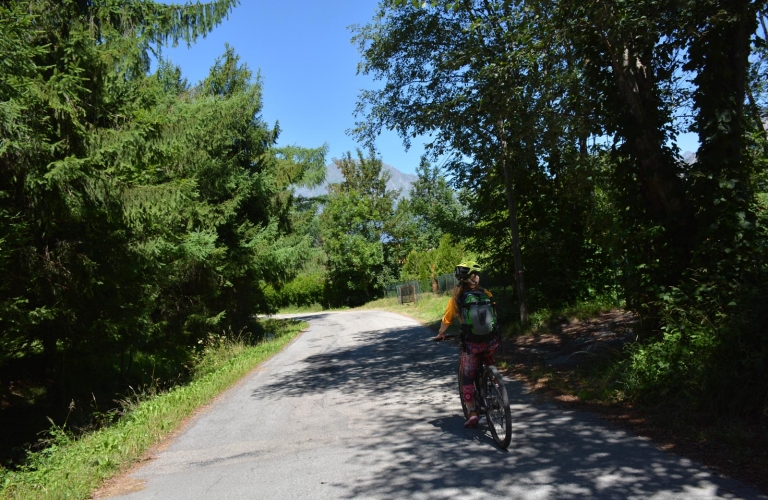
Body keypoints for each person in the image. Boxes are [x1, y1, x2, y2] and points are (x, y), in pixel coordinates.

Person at [434, 260, 500, 428]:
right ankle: (498, 390)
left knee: (467, 376)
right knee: (489, 362)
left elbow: (447, 320)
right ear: (474, 277)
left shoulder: (456, 299)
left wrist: (441, 333)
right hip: (491, 342)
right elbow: (494, 315)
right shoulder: (487, 293)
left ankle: (471, 412)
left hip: (472, 345)